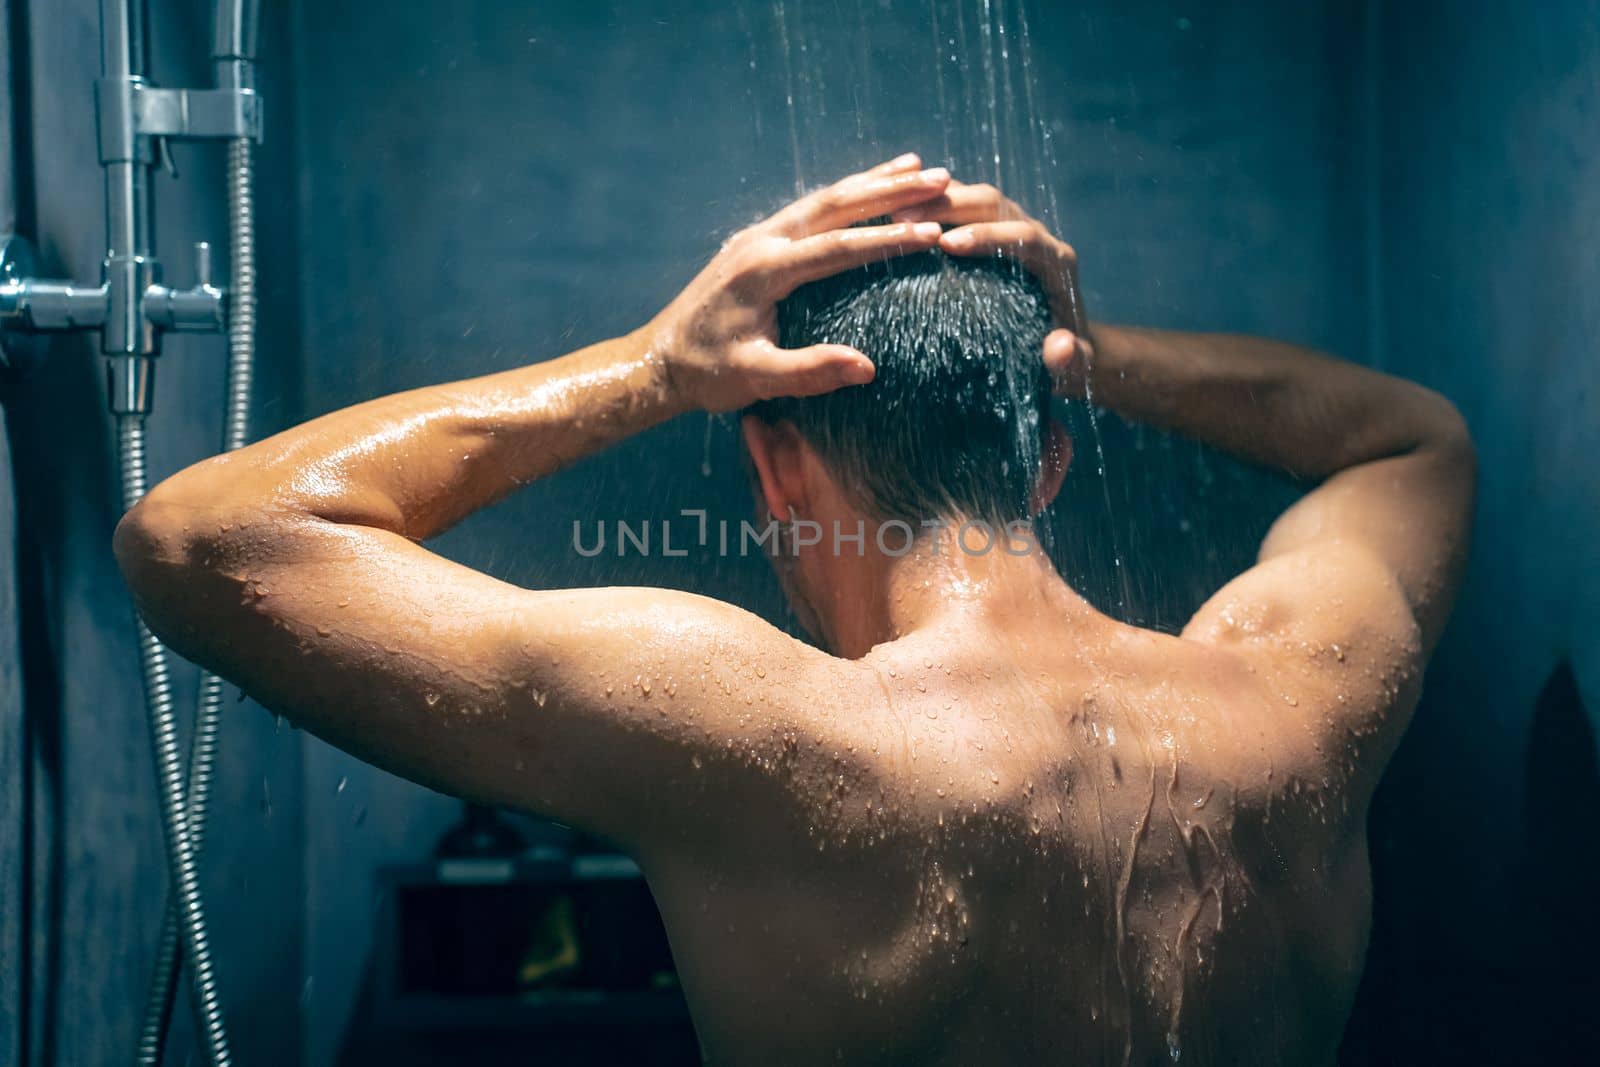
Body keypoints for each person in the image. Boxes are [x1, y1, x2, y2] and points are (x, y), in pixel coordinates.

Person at [114, 154, 1475, 1064]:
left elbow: (200, 537)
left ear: (772, 465)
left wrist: (652, 366)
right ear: (1050, 455)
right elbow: (1408, 442)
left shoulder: (765, 734)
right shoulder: (1302, 697)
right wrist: (1085, 354)